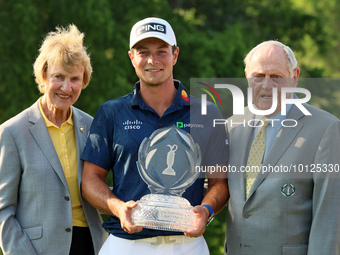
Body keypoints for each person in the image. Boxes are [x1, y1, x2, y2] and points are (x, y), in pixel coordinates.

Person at [81, 17, 229, 255]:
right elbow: (90, 180)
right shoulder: (111, 112)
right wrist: (118, 208)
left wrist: (207, 209)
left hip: (187, 246)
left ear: (175, 55)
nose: (152, 60)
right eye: (143, 52)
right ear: (131, 57)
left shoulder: (206, 113)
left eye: (162, 51)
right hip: (125, 246)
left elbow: (220, 182)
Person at [225, 40, 340, 254]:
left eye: (276, 77)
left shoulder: (325, 128)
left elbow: (329, 216)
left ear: (294, 76)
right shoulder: (233, 126)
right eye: (258, 76)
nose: (266, 85)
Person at [0, 24, 107, 255]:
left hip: (92, 245)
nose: (66, 88)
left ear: (84, 81)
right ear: (44, 75)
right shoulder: (11, 132)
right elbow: (2, 212)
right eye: (59, 77)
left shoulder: (92, 126)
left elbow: (100, 186)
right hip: (39, 249)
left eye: (75, 79)